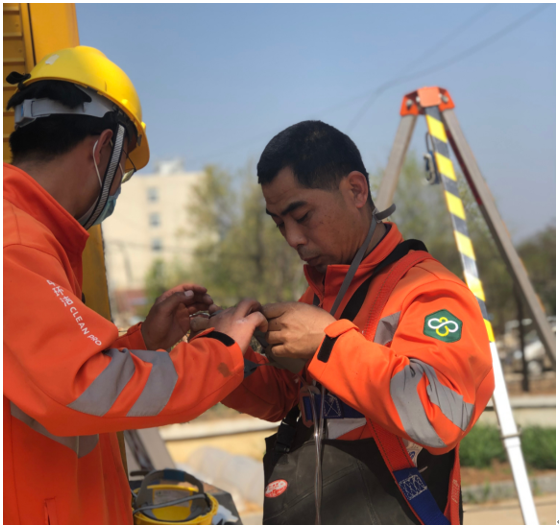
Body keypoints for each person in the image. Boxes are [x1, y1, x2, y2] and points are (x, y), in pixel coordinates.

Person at [3, 46, 265, 525]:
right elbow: (82, 389)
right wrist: (222, 348)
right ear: (103, 148)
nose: (117, 188)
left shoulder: (33, 239)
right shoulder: (15, 245)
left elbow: (53, 375)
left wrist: (145, 341)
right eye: (122, 169)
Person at [216, 120, 495, 524]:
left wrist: (326, 344)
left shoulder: (428, 291)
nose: (292, 238)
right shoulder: (318, 297)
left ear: (356, 190)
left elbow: (442, 414)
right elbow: (286, 399)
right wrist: (222, 352)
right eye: (279, 223)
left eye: (302, 215)